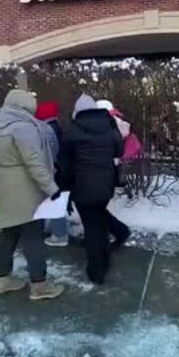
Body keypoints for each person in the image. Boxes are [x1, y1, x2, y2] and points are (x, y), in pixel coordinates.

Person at [0, 89, 64, 301]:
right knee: (33, 235)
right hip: (24, 187)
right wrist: (52, 188)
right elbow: (34, 162)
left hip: (3, 184)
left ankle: (1, 280)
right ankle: (39, 285)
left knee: (9, 233)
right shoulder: (24, 127)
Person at [57, 94, 130, 285]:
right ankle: (115, 239)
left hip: (81, 185)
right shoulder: (109, 125)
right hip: (106, 183)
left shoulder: (72, 130)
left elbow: (64, 164)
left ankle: (97, 270)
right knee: (97, 217)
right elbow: (119, 150)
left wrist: (64, 186)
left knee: (92, 226)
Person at [35, 101, 69, 248]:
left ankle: (60, 234)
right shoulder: (57, 127)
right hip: (59, 169)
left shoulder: (47, 129)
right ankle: (57, 231)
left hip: (53, 170)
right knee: (55, 200)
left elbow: (50, 152)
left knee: (53, 201)